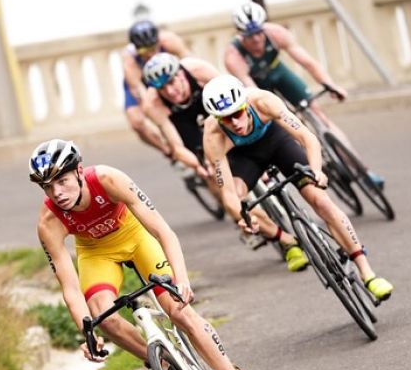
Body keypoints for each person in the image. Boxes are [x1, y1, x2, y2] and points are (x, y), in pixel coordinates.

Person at [30, 138, 267, 370]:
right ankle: (164, 363)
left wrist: (181, 280)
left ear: (79, 171)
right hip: (95, 252)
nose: (57, 193)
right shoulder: (48, 221)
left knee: (179, 310)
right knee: (102, 316)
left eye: (63, 181)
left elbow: (163, 231)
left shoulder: (108, 179)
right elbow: (69, 286)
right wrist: (88, 333)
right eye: (48, 187)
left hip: (136, 236)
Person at [201, 74, 394, 300]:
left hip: (277, 143)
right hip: (245, 159)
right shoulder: (212, 135)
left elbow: (306, 137)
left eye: (237, 113)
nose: (234, 122)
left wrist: (317, 171)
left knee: (320, 201)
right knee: (239, 202)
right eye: (225, 118)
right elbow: (227, 194)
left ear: (245, 105)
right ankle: (285, 240)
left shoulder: (263, 101)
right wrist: (242, 216)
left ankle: (368, 273)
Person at [141, 51, 310, 273]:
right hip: (192, 132)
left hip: (221, 111)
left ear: (181, 73)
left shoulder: (197, 69)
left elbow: (236, 92)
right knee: (219, 184)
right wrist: (199, 166)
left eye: (173, 82)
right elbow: (177, 147)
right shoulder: (152, 104)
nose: (171, 91)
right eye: (163, 89)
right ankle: (282, 238)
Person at [223, 2, 384, 188]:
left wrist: (330, 84)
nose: (257, 39)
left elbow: (307, 62)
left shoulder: (276, 34)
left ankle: (364, 171)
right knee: (285, 124)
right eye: (250, 36)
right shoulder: (233, 56)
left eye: (259, 32)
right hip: (258, 86)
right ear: (240, 34)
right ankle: (313, 158)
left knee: (319, 116)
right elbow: (254, 93)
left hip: (279, 73)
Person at [123, 20, 191, 157]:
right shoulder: (129, 58)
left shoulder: (169, 40)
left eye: (153, 48)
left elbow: (190, 62)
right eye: (144, 51)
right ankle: (168, 151)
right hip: (142, 81)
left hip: (165, 73)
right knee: (137, 122)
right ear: (136, 48)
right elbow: (140, 92)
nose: (150, 55)